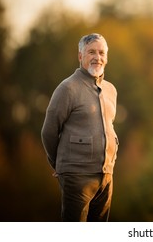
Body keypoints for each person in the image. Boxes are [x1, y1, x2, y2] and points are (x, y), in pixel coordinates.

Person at [41, 33, 119, 221]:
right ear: (80, 56)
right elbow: (49, 131)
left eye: (101, 53)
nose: (97, 57)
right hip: (76, 176)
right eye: (91, 52)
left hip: (106, 175)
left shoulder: (111, 89)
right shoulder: (67, 88)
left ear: (106, 57)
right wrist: (60, 165)